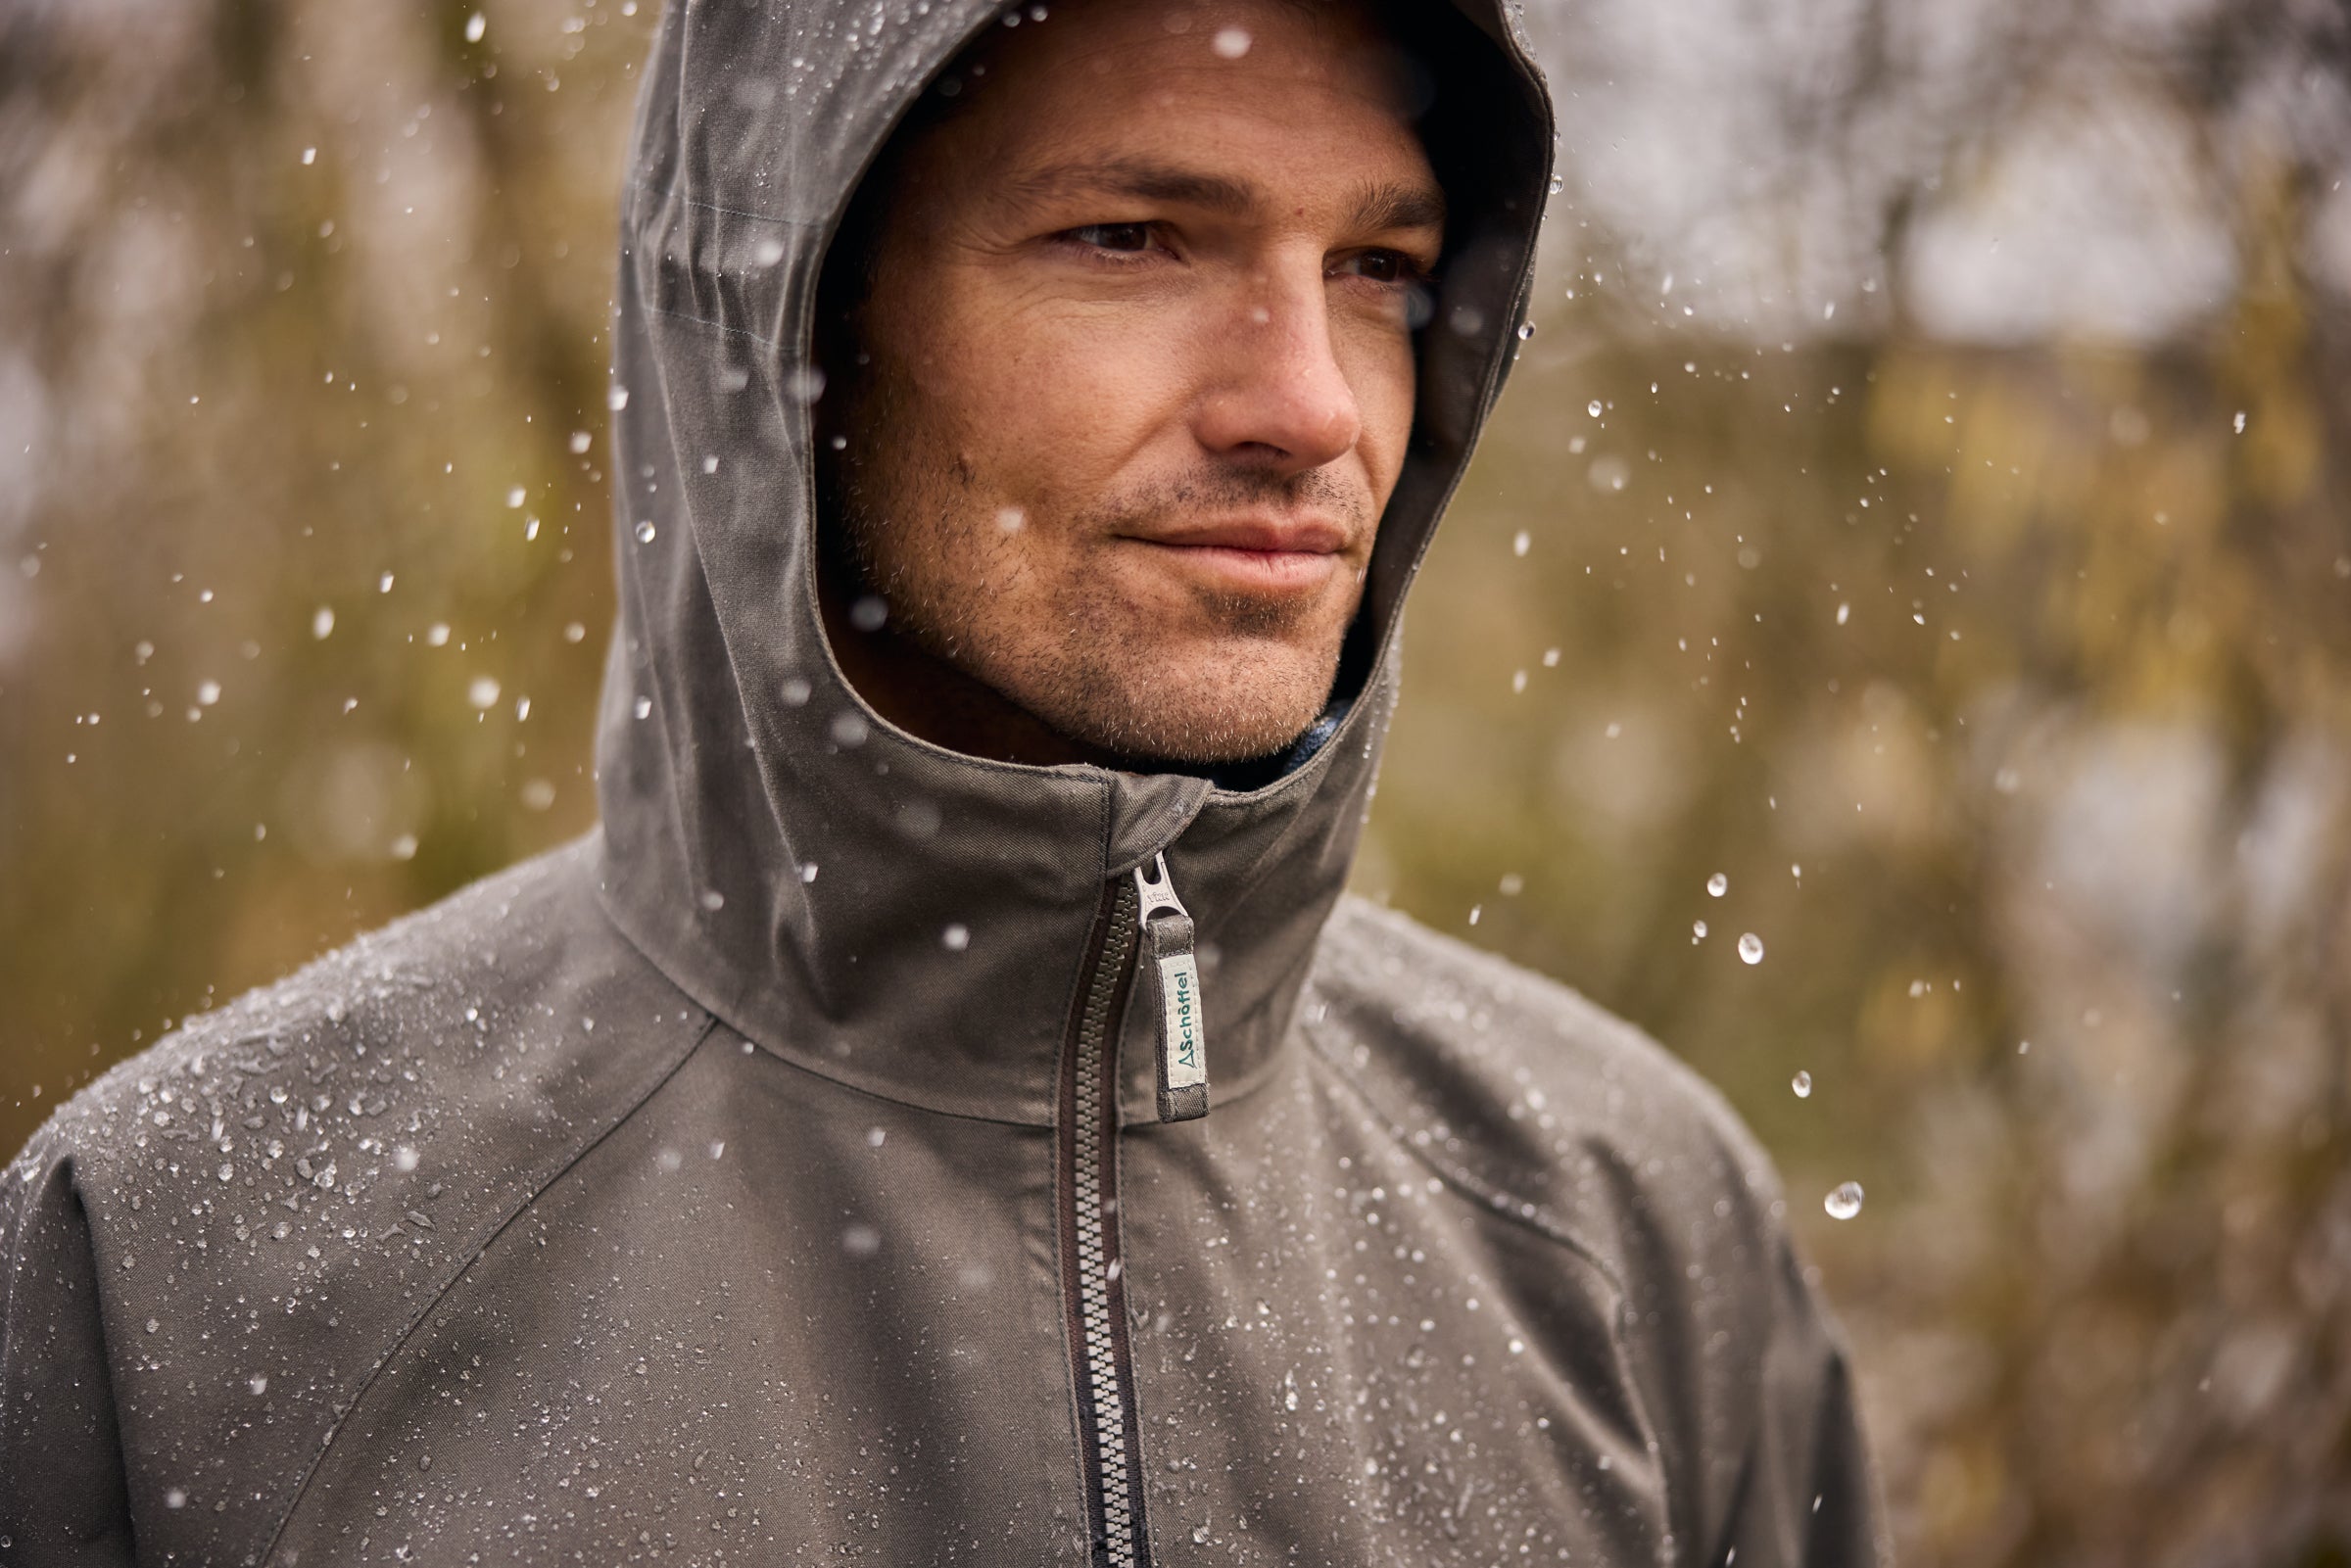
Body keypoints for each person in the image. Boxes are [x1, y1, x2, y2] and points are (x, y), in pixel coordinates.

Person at [0, 0, 1887, 1557]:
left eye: (1378, 266)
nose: (1310, 399)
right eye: (1132, 239)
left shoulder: (1635, 1232)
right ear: (801, 327)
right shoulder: (192, 1274)